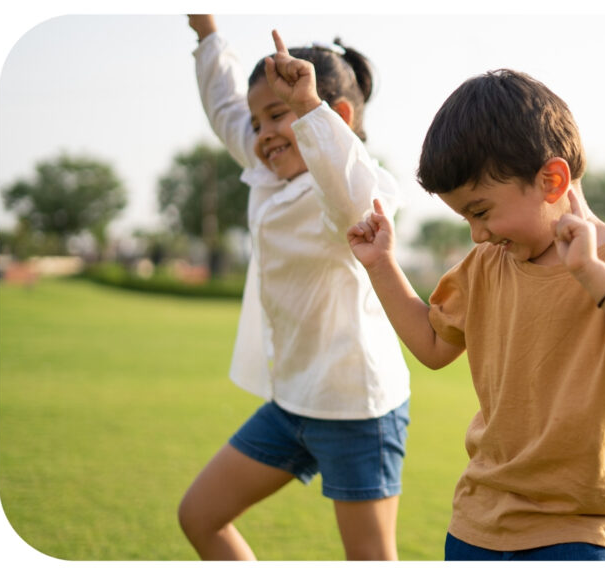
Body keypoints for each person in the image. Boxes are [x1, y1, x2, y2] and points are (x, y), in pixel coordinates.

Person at [347, 68, 605, 561]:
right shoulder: (486, 266)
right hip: (478, 524)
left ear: (551, 180)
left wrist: (591, 272)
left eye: (482, 211)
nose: (477, 233)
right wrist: (382, 265)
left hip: (581, 532)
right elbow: (432, 347)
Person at [178, 15, 410, 561]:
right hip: (292, 403)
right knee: (200, 516)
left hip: (356, 409)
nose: (261, 135)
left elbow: (354, 197)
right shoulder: (267, 173)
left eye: (277, 115)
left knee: (372, 563)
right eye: (258, 124)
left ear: (338, 118)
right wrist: (207, 31)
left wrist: (307, 108)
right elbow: (227, 110)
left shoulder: (349, 191)